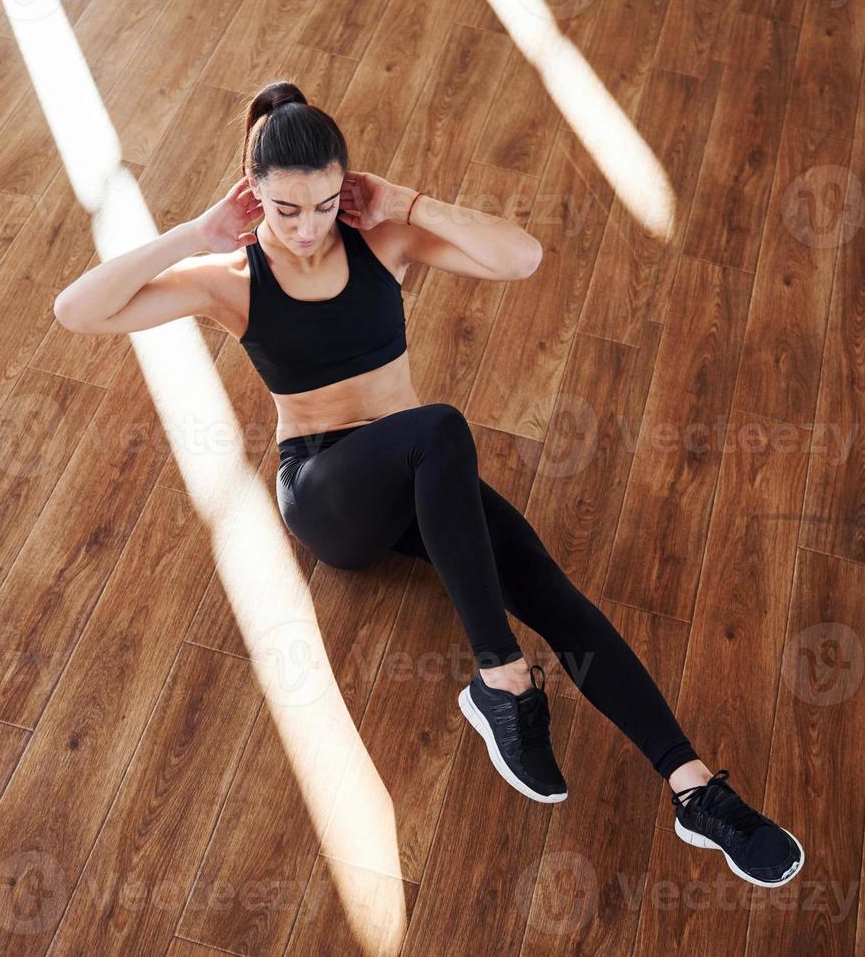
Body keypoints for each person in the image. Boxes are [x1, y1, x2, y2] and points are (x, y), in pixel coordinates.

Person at [53, 80, 804, 889]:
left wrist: (408, 202)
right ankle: (499, 679)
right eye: (284, 210)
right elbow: (77, 311)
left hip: (421, 475)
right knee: (439, 425)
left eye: (325, 204)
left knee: (551, 592)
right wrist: (192, 233)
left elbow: (523, 257)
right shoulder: (231, 278)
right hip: (327, 495)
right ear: (253, 198)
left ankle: (693, 787)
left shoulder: (383, 245)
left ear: (349, 188)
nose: (306, 229)